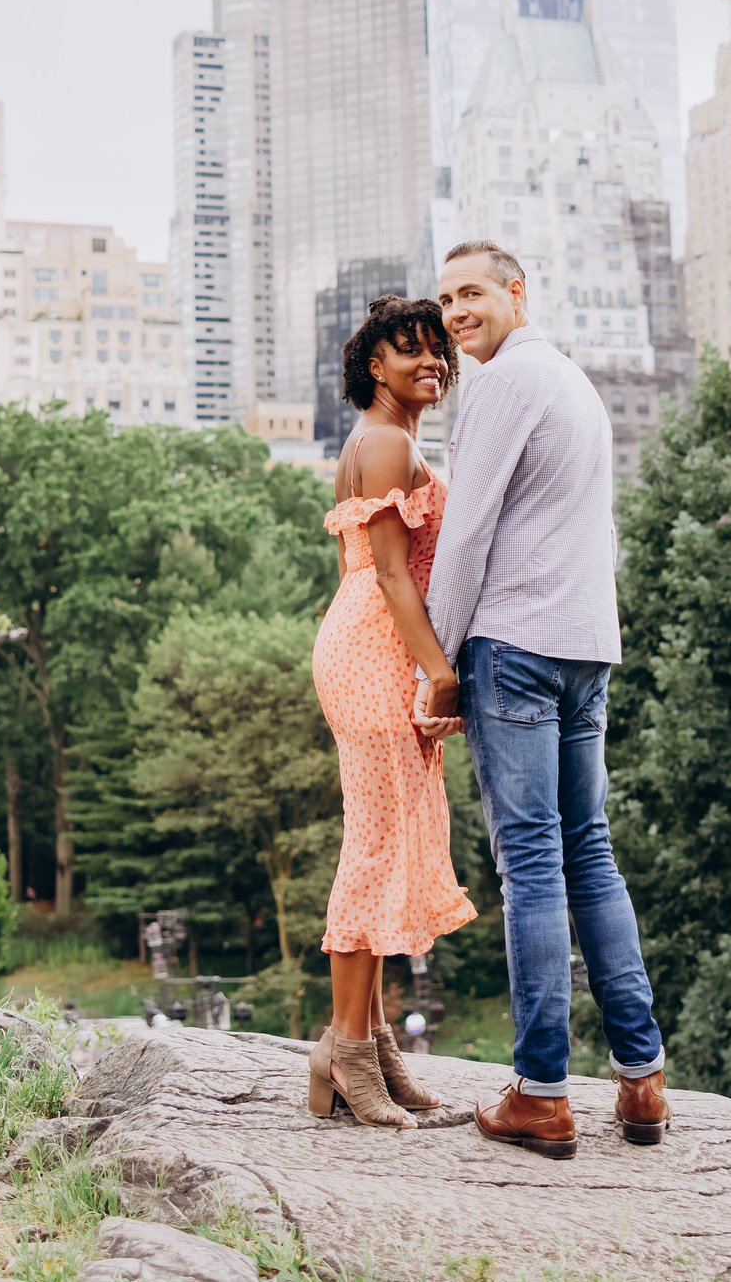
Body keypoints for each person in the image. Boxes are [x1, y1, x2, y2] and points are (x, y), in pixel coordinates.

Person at [425, 239, 669, 1159]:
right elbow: (597, 531)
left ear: (517, 292)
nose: (455, 312)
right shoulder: (574, 383)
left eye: (473, 292)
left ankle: (541, 1093)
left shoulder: (502, 385)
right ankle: (640, 1083)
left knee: (530, 864)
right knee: (590, 855)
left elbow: (468, 530)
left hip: (519, 645)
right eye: (446, 298)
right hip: (584, 645)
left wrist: (436, 667)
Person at [308, 294, 480, 1130]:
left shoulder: (394, 439)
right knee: (373, 850)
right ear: (375, 365)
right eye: (411, 350)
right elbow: (388, 574)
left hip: (373, 646)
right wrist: (439, 672)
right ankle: (344, 1052)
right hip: (375, 649)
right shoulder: (382, 441)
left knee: (385, 843)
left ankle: (373, 1047)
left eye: (437, 351)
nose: (431, 363)